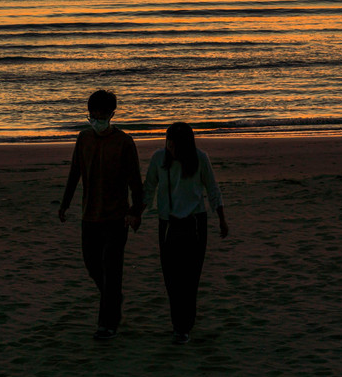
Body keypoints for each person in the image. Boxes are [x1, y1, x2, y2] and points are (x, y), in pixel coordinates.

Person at [59, 90, 144, 340]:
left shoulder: (124, 143)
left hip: (116, 218)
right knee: (93, 266)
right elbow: (75, 173)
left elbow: (135, 182)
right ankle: (113, 299)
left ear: (111, 115)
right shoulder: (83, 139)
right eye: (92, 115)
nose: (96, 119)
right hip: (89, 216)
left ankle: (106, 325)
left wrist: (135, 211)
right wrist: (65, 204)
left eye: (101, 115)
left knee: (112, 268)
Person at [143, 122, 229, 344]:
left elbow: (212, 188)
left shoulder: (200, 158)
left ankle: (184, 326)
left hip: (195, 224)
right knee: (171, 278)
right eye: (168, 143)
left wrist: (221, 219)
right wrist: (137, 213)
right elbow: (149, 188)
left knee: (191, 278)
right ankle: (178, 324)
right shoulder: (158, 159)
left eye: (174, 144)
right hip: (168, 223)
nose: (170, 148)